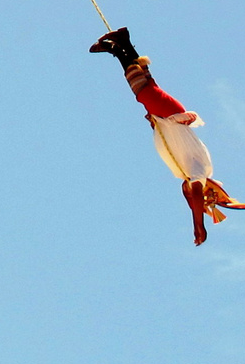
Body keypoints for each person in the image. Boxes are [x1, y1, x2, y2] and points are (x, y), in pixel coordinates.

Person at [90, 27, 230, 245]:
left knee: (145, 83)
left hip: (163, 117)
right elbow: (193, 194)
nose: (201, 196)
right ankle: (117, 47)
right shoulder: (201, 171)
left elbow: (188, 194)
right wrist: (198, 225)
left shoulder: (182, 172)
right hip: (171, 114)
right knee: (142, 89)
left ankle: (122, 43)